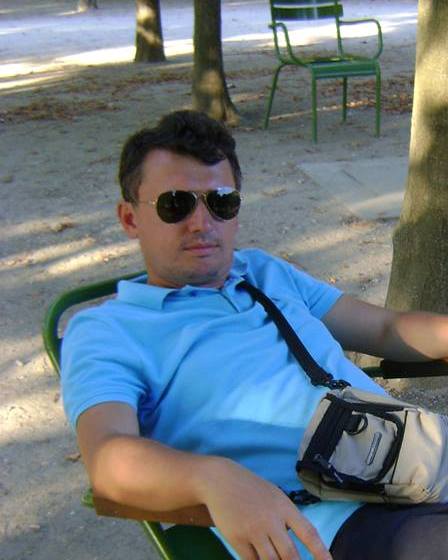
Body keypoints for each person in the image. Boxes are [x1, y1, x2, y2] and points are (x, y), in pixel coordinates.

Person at [61, 110, 448, 560]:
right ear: (130, 219)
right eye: (175, 204)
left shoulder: (265, 271)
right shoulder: (108, 330)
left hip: (416, 459)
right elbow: (107, 457)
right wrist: (210, 477)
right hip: (331, 523)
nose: (201, 223)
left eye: (221, 202)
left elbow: (384, 328)